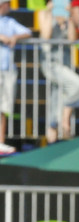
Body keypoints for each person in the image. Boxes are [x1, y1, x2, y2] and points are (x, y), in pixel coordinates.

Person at [39, 1, 79, 145]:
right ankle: (64, 121)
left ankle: (52, 130)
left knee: (57, 95)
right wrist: (49, 13)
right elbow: (46, 35)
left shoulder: (68, 17)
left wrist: (70, 18)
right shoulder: (43, 14)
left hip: (65, 63)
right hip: (51, 63)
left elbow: (72, 39)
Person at [0, 0, 31, 155]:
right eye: (7, 3)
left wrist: (14, 37)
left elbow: (27, 32)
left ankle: (0, 142)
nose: (10, 6)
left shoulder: (9, 21)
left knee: (3, 107)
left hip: (7, 69)